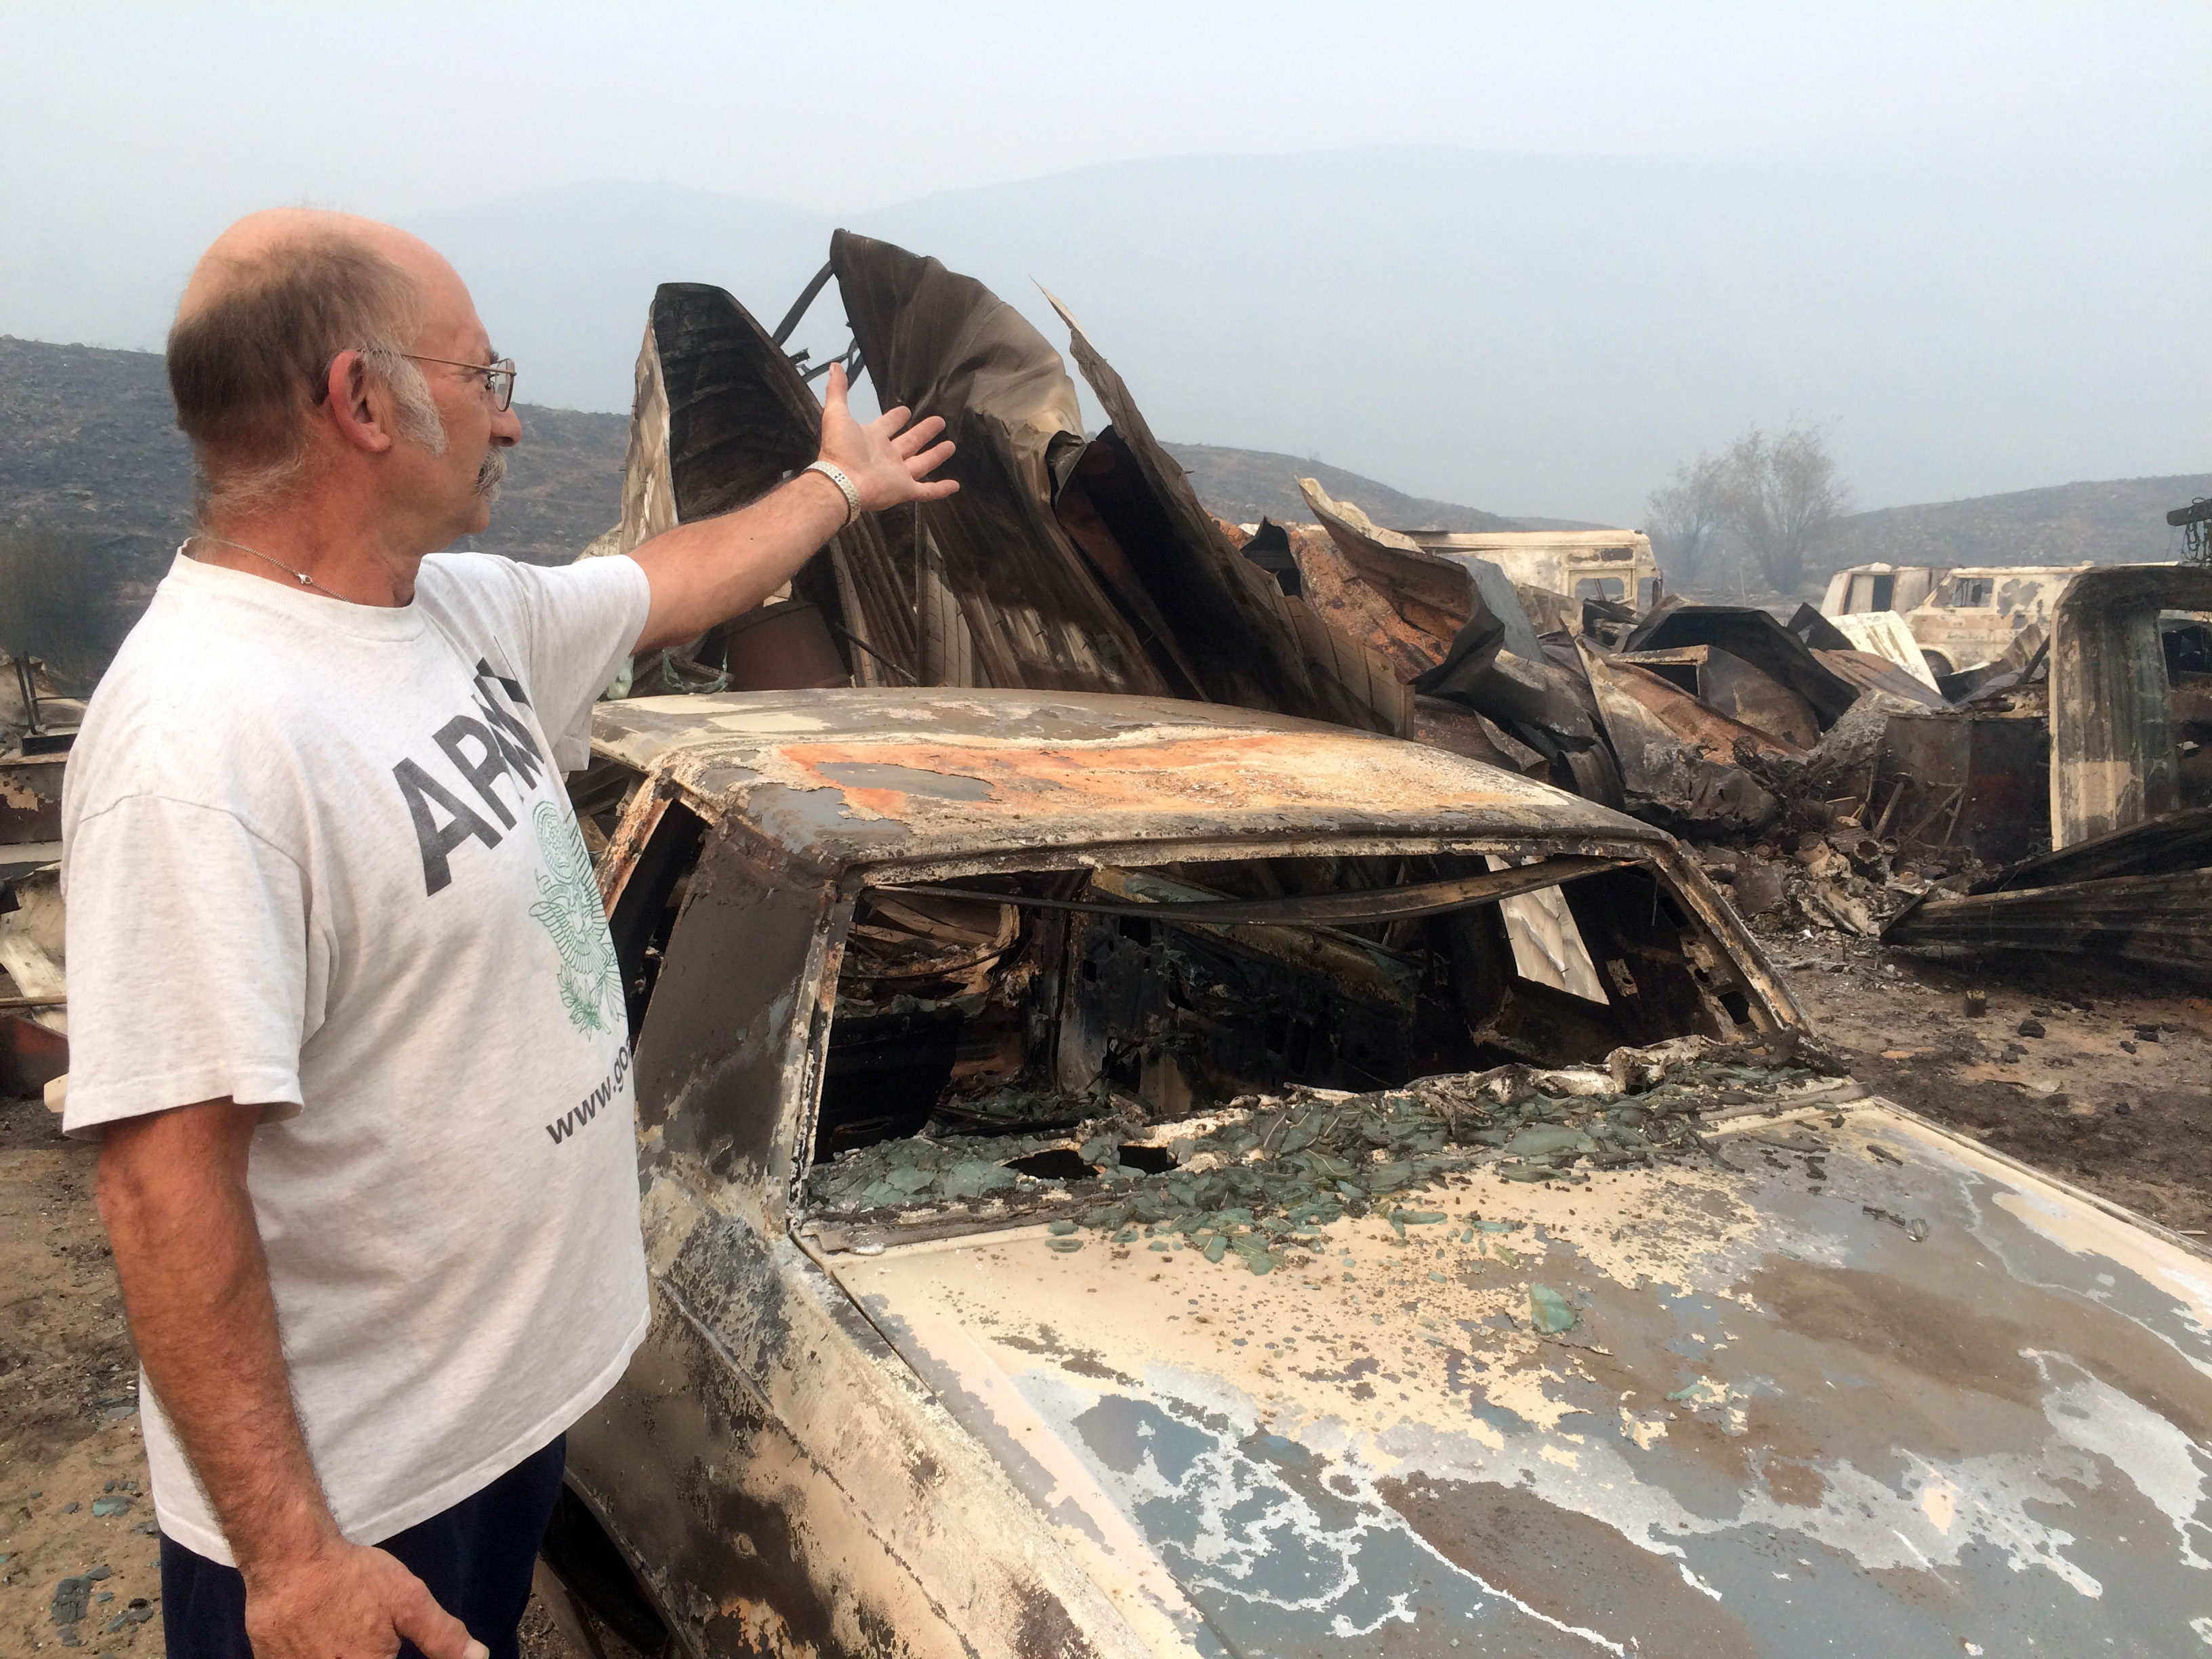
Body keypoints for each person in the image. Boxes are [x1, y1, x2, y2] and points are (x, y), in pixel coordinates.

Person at [60, 208, 956, 1659]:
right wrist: (290, 1562)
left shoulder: (450, 614)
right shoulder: (203, 743)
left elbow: (675, 584)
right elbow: (164, 1185)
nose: (516, 422)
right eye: (484, 379)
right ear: (361, 401)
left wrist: (835, 491)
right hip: (355, 1500)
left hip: (498, 1419)